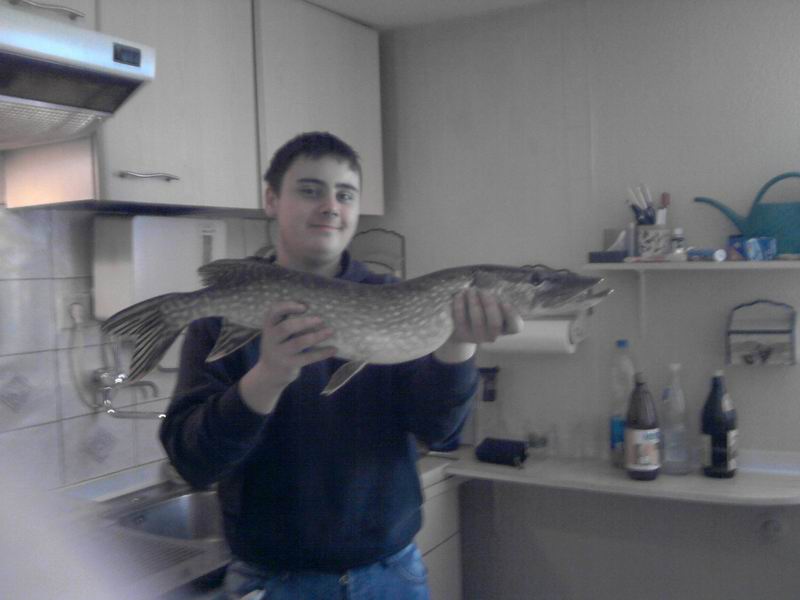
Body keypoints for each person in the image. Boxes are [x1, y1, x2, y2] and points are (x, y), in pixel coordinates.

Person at [160, 131, 522, 599]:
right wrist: (268, 377)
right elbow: (192, 462)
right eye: (311, 190)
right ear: (271, 199)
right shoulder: (221, 315)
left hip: (391, 575)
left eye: (345, 194)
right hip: (274, 582)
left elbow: (438, 430)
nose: (331, 206)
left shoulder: (392, 297)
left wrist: (458, 344)